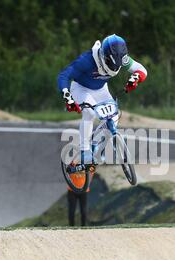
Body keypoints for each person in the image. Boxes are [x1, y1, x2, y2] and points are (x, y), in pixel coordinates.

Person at [57, 34, 148, 164]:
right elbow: (63, 76)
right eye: (111, 63)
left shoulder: (122, 58)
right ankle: (85, 151)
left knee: (114, 116)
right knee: (89, 113)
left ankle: (96, 144)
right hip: (80, 89)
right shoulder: (87, 60)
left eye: (118, 64)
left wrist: (135, 78)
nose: (115, 67)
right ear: (103, 56)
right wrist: (68, 97)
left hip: (101, 89)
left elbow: (141, 69)